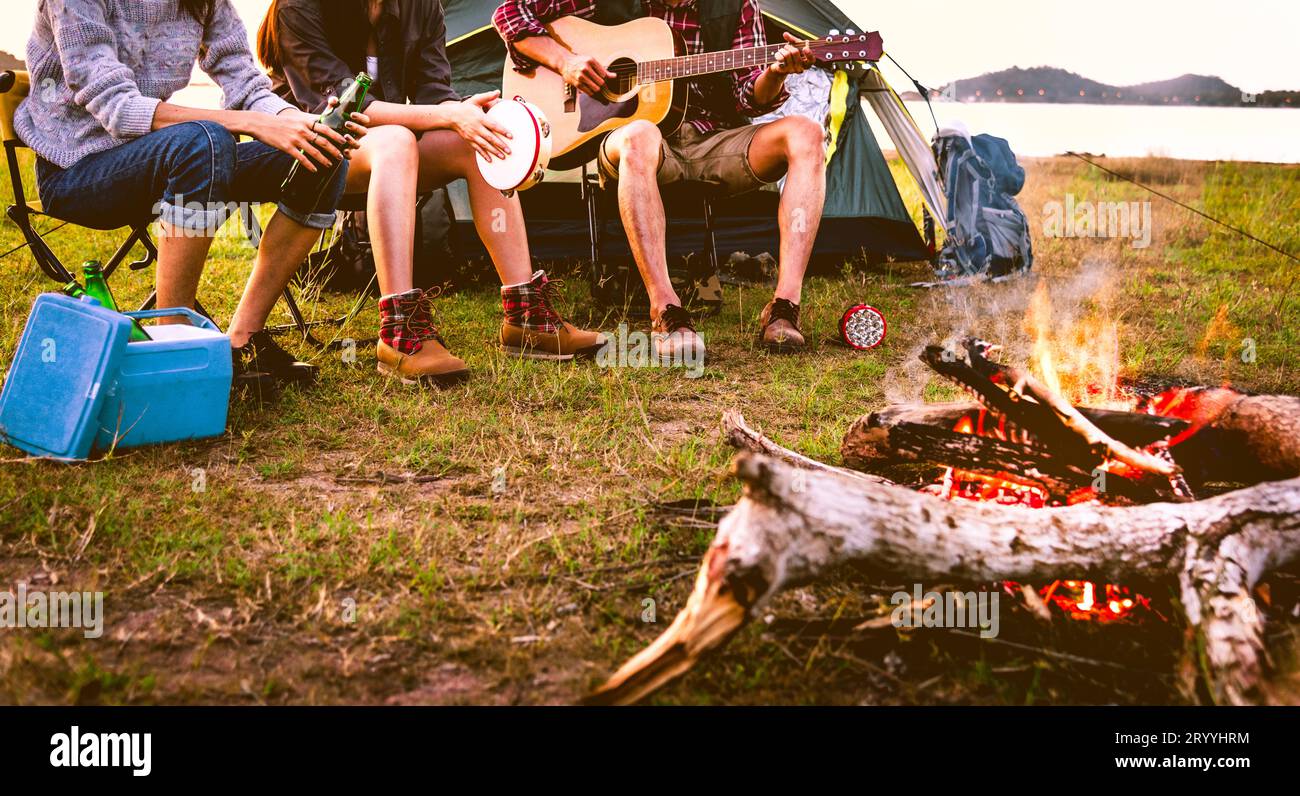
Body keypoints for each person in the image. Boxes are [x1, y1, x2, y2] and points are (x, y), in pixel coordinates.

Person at [17, 0, 368, 388]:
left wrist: (300, 123)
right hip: (78, 171)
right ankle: (175, 347)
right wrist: (248, 123)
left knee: (321, 155)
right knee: (204, 139)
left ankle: (242, 341)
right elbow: (117, 107)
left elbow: (246, 85)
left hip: (155, 158)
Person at [258, 0, 609, 386]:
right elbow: (342, 109)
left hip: (381, 153)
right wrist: (447, 115)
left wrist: (466, 112)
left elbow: (433, 91)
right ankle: (399, 331)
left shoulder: (420, 5)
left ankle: (527, 316)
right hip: (308, 150)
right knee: (396, 141)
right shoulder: (298, 7)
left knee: (480, 139)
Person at [492, 0, 827, 360]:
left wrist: (776, 72)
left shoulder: (737, 6)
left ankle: (784, 308)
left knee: (806, 133)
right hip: (635, 143)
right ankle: (665, 310)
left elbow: (747, 95)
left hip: (712, 140)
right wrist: (566, 62)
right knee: (641, 134)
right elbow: (510, 12)